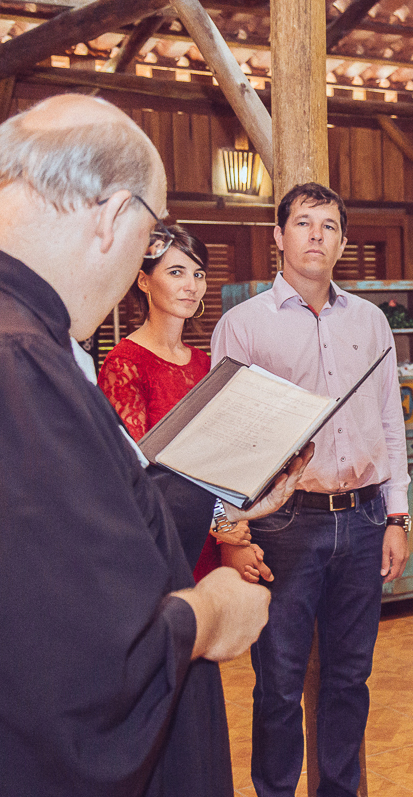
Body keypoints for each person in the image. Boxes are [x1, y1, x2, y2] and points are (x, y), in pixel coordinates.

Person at [0, 94, 307, 795]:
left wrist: (213, 484)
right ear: (111, 217)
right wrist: (211, 612)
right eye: (151, 236)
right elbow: (82, 666)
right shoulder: (2, 367)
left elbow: (65, 534)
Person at [211, 182, 410, 797]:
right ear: (278, 237)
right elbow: (224, 440)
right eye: (303, 223)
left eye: (328, 225)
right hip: (284, 526)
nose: (316, 235)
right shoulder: (243, 326)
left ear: (344, 242)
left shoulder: (371, 321)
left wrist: (398, 516)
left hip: (364, 519)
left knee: (350, 679)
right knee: (278, 683)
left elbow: (388, 421)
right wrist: (229, 532)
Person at [98, 225, 265, 582]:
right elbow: (138, 475)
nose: (192, 285)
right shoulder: (124, 363)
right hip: (164, 543)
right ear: (144, 281)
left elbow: (226, 461)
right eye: (176, 272)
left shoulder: (206, 364)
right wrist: (222, 525)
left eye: (198, 274)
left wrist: (234, 537)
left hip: (218, 536)